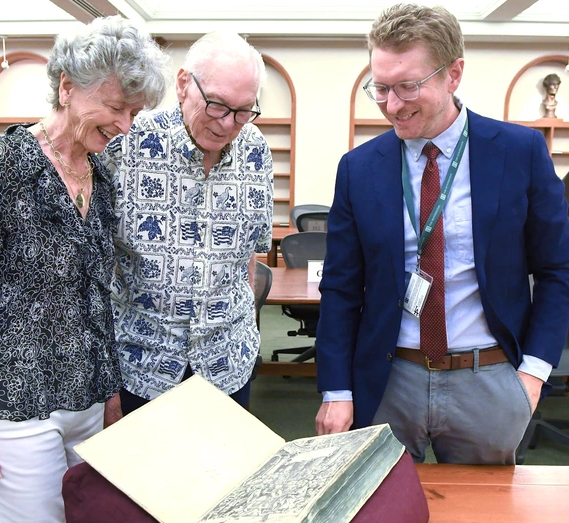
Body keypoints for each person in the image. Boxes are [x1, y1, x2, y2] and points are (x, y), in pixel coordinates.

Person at [315, 3, 569, 465]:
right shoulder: (358, 169)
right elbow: (340, 288)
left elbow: (558, 270)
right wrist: (337, 388)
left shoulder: (520, 152)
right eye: (381, 88)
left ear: (453, 74)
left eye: (408, 86)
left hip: (489, 376)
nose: (393, 105)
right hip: (388, 378)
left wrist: (532, 374)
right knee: (381, 517)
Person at [0, 16, 170, 523]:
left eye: (134, 113)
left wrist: (109, 389)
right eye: (115, 107)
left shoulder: (100, 176)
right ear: (65, 87)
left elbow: (97, 294)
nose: (125, 125)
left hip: (87, 400)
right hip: (15, 405)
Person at [103, 31, 273, 415]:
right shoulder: (126, 145)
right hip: (140, 366)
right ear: (183, 85)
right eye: (216, 105)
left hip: (227, 365)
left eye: (244, 110)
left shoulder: (257, 151)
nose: (229, 123)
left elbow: (247, 257)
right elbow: (95, 266)